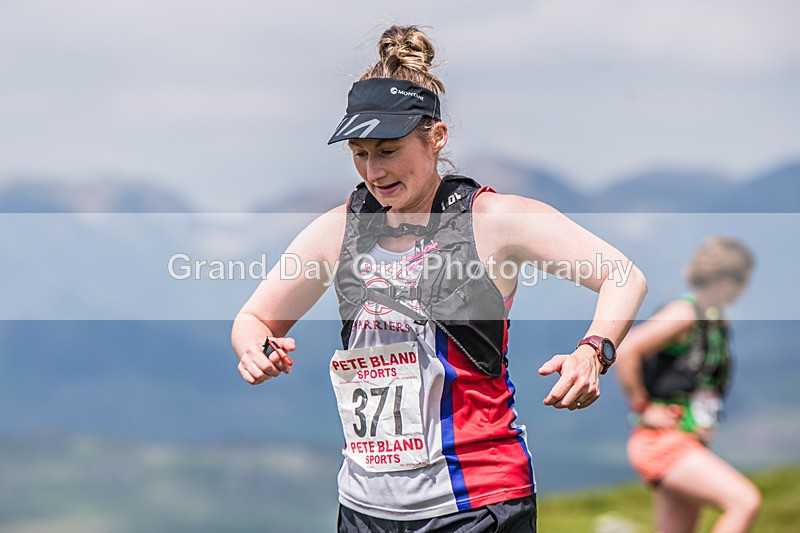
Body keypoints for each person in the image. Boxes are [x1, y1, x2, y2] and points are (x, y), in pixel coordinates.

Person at [232, 25, 647, 532]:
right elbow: (255, 318)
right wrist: (254, 347)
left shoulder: (492, 220)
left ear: (436, 139)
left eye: (387, 150)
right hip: (365, 506)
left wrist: (593, 350)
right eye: (359, 153)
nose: (373, 170)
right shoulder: (340, 227)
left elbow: (623, 276)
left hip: (477, 501)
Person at [616, 236, 760, 533]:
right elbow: (628, 349)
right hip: (663, 440)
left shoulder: (714, 319)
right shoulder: (684, 314)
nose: (745, 288)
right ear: (723, 278)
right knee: (744, 502)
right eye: (742, 280)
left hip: (687, 438)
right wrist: (642, 406)